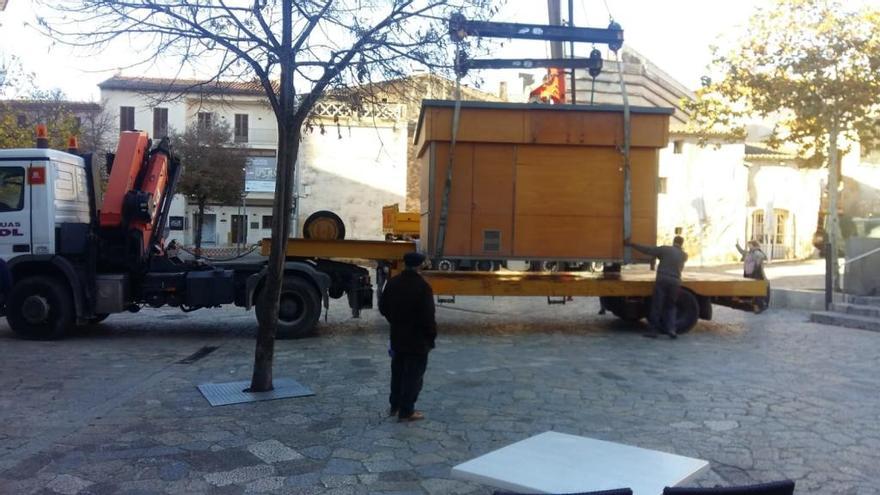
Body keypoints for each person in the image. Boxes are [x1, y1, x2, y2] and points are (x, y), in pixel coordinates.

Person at [379, 251, 436, 422]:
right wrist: (431, 337)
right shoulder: (423, 287)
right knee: (413, 377)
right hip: (417, 340)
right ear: (419, 266)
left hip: (398, 336)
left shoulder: (393, 283)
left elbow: (383, 307)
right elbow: (428, 316)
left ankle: (394, 406)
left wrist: (395, 321)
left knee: (397, 373)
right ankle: (407, 411)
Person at [625, 236, 688, 339]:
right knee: (671, 306)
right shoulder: (684, 255)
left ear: (673, 241)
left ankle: (653, 331)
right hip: (675, 282)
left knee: (657, 305)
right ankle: (671, 329)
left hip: (662, 279)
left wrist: (632, 244)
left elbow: (648, 250)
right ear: (682, 244)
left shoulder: (665, 249)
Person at [736, 240, 769, 312]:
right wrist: (737, 245)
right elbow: (742, 252)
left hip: (754, 275)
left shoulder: (756, 252)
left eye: (749, 245)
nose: (748, 246)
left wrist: (764, 277)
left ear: (753, 245)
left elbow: (762, 258)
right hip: (748, 274)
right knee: (749, 290)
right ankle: (750, 306)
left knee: (757, 291)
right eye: (748, 245)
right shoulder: (749, 253)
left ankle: (759, 307)